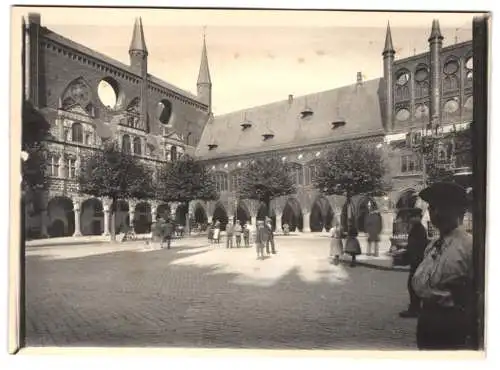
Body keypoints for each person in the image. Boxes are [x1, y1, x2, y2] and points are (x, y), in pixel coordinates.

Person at [411, 182, 475, 350]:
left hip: (453, 325)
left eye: (444, 207)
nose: (436, 213)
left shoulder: (470, 246)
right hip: (427, 322)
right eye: (432, 207)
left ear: (459, 211)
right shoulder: (432, 246)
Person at [399, 208, 428, 318]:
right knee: (412, 285)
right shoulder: (416, 228)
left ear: (418, 217)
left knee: (413, 285)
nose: (410, 219)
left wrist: (407, 252)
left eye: (412, 217)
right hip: (416, 261)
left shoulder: (419, 229)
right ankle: (415, 307)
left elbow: (418, 246)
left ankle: (415, 309)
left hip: (417, 261)